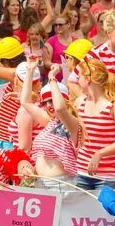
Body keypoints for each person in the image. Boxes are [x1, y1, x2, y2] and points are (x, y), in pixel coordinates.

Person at [74, 58, 115, 190]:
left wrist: (100, 153)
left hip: (109, 176)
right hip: (82, 172)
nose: (77, 81)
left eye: (79, 77)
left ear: (88, 79)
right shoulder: (80, 102)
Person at [21, 61, 78, 191]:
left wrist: (52, 77)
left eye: (51, 100)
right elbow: (25, 102)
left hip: (60, 185)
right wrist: (30, 70)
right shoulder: (50, 121)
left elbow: (60, 108)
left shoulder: (72, 124)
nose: (48, 105)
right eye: (45, 102)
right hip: (41, 183)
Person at [68, 9, 115, 97]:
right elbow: (72, 80)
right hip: (104, 106)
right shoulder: (96, 53)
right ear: (109, 33)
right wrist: (83, 101)